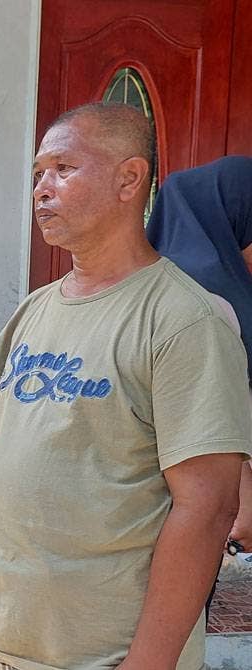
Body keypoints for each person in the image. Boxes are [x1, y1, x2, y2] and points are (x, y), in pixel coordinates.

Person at [0, 103, 251, 670]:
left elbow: (207, 505)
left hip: (100, 653)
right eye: (37, 175)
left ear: (129, 178)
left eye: (62, 168)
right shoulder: (31, 312)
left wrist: (149, 661)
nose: (42, 190)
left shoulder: (184, 320)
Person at [146, 156, 252, 552]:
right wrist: (244, 494)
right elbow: (211, 400)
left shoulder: (156, 274)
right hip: (194, 483)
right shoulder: (208, 290)